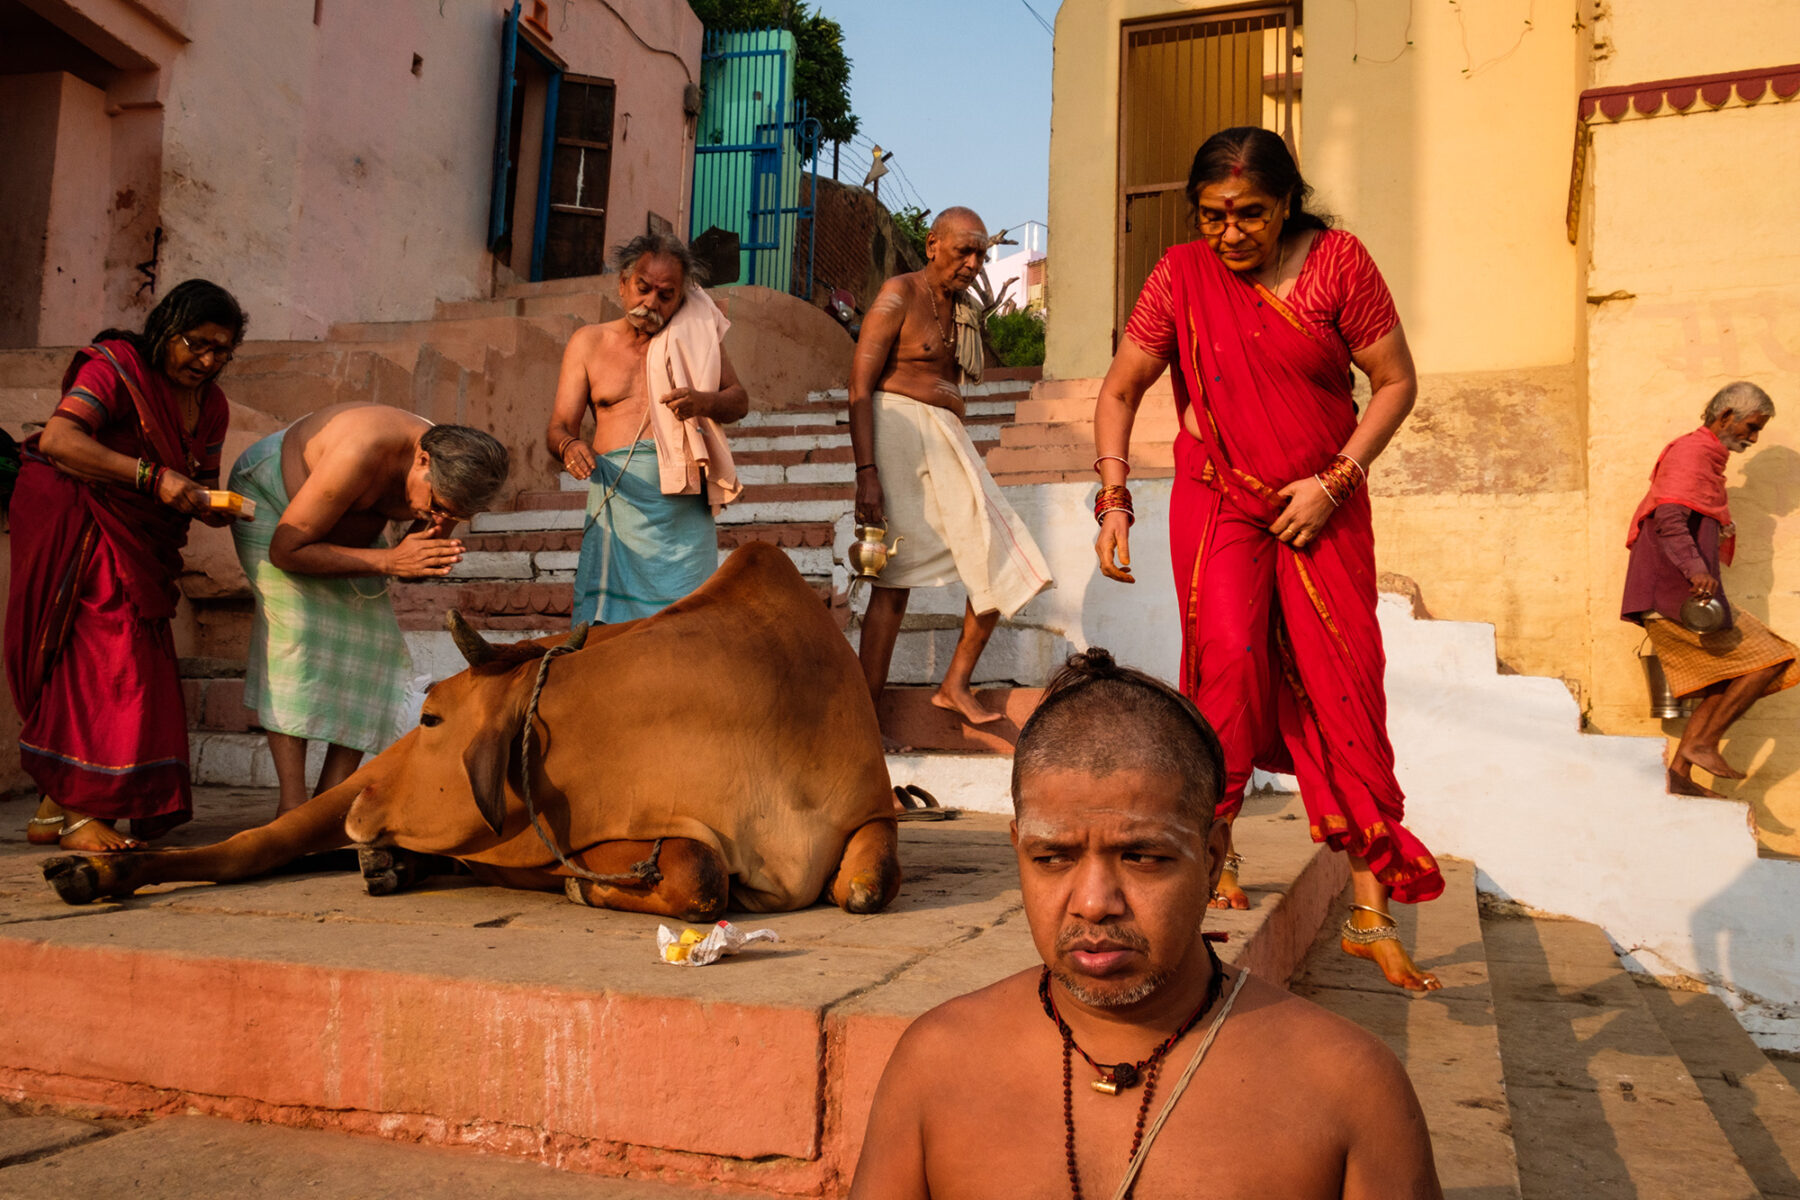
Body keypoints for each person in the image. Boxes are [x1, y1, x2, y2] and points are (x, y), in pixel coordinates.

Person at [850, 649, 1443, 1200]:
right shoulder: (936, 1063)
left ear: (1212, 858)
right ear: (1018, 851)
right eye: (1052, 858)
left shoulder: (1348, 1088)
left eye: (1142, 857)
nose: (1093, 903)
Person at [1091, 127, 1444, 992]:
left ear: (1288, 204)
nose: (1230, 234)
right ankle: (1216, 852)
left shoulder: (1340, 265)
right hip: (1218, 497)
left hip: (1321, 505)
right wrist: (1113, 497)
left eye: (1250, 214)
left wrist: (1336, 480)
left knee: (1344, 684)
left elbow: (1395, 380)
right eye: (1212, 216)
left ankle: (1370, 914)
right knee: (1231, 665)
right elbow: (1122, 386)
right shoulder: (1180, 275)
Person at [7, 280, 247, 851]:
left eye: (222, 351)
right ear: (167, 327)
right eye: (197, 344)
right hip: (81, 519)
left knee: (136, 663)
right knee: (106, 662)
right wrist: (152, 478)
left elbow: (200, 481)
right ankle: (85, 814)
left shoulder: (211, 405)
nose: (207, 360)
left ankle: (54, 807)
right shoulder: (116, 367)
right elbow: (62, 440)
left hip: (141, 542)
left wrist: (211, 506)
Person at [228, 404, 508, 815]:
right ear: (422, 460)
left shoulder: (449, 486)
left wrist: (422, 558)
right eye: (437, 506)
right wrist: (392, 561)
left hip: (343, 537)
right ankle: (291, 807)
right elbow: (286, 551)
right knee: (296, 636)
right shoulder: (361, 450)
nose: (440, 519)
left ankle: (329, 806)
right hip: (274, 510)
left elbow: (413, 562)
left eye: (454, 515)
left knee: (376, 651)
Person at [849, 207, 1053, 728]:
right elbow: (858, 387)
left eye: (982, 253)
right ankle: (863, 721)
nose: (973, 261)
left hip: (947, 438)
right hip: (896, 429)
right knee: (893, 582)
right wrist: (866, 472)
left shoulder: (962, 310)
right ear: (933, 244)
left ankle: (954, 683)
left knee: (1001, 553)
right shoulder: (899, 293)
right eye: (964, 249)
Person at [545, 233, 747, 624]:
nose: (651, 303)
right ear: (623, 283)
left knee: (691, 624)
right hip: (618, 502)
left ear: (681, 298)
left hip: (684, 503)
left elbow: (739, 400)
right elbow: (558, 427)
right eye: (643, 289)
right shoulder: (588, 343)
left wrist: (702, 402)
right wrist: (570, 446)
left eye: (666, 295)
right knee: (609, 633)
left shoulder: (695, 337)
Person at [1623, 382, 1795, 797]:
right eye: (1752, 427)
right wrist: (1696, 567)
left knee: (1728, 676)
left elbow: (1686, 513)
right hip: (1673, 591)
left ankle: (1681, 774)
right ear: (1725, 417)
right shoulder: (1692, 453)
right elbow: (1668, 517)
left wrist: (1715, 533)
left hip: (1680, 592)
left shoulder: (1706, 461)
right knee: (1772, 659)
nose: (1752, 438)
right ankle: (1701, 743)